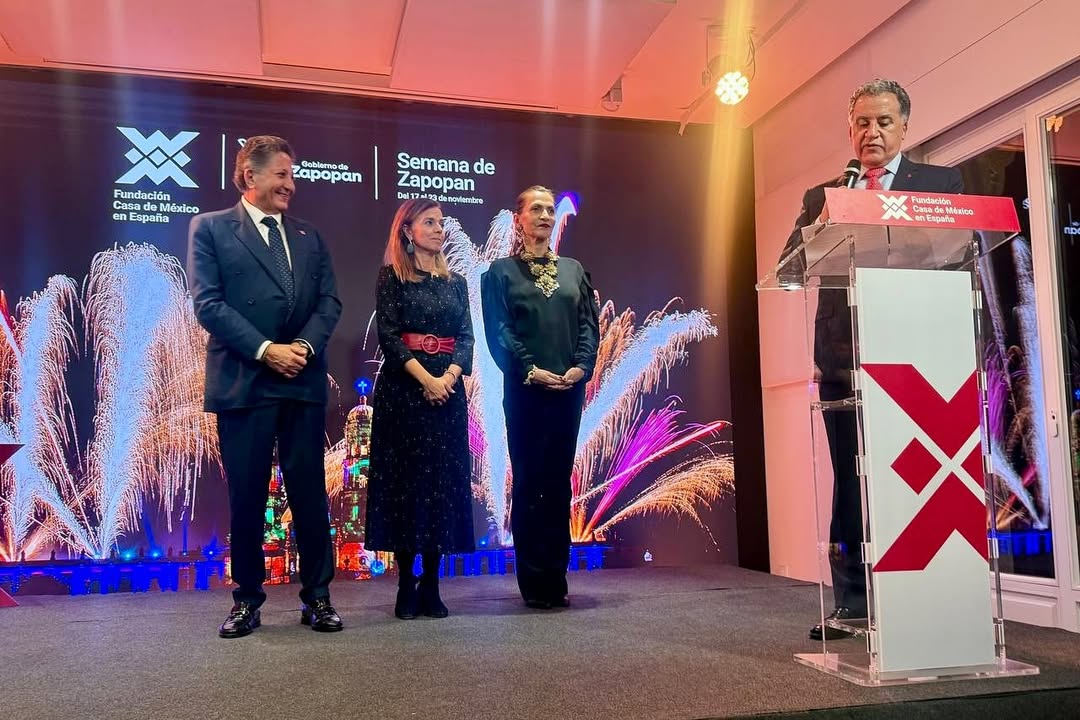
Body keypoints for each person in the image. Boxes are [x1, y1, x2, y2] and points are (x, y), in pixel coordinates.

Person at [778, 79, 964, 641]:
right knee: (850, 480)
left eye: (883, 122)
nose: (872, 132)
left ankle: (924, 597)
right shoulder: (826, 193)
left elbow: (960, 258)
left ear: (905, 126)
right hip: (842, 360)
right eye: (862, 122)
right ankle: (853, 604)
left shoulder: (940, 184)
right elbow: (789, 270)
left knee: (916, 474)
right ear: (850, 129)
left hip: (916, 359)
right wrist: (817, 230)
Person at [188, 135, 343, 638]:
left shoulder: (310, 236)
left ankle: (318, 597)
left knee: (310, 495)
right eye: (281, 174)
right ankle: (246, 600)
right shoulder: (210, 228)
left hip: (301, 379)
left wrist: (303, 347)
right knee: (248, 497)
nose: (290, 184)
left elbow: (329, 303)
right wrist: (265, 350)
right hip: (245, 381)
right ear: (249, 176)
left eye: (291, 175)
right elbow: (209, 304)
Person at [481, 185, 600, 610]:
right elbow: (499, 331)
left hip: (568, 390)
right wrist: (531, 369)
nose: (546, 215)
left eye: (550, 209)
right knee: (530, 482)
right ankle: (533, 583)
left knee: (558, 482)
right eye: (536, 209)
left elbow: (588, 325)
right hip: (526, 391)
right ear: (519, 219)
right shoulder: (500, 273)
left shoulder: (574, 270)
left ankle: (556, 578)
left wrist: (581, 367)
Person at [366, 198, 475, 620]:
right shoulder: (391, 277)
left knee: (440, 484)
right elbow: (390, 336)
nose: (439, 229)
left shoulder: (456, 283)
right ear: (407, 231)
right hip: (404, 392)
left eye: (441, 222)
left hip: (448, 395)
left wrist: (447, 378)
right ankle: (405, 582)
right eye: (429, 222)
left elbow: (465, 337)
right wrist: (425, 379)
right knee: (406, 484)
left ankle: (431, 582)